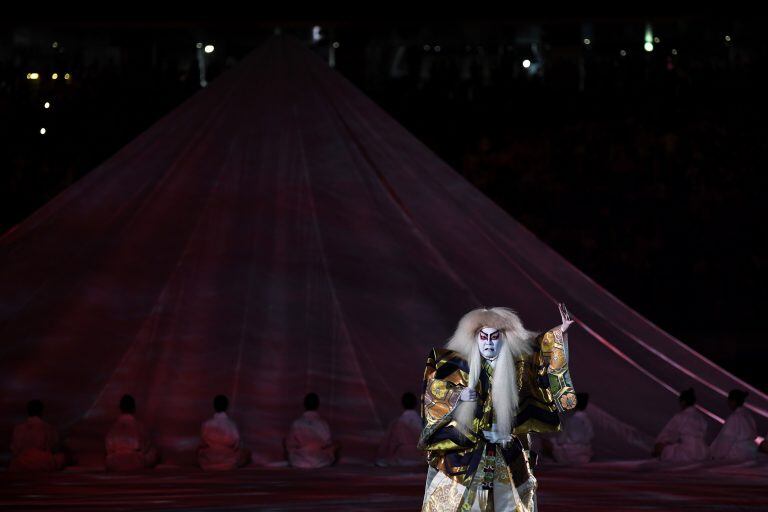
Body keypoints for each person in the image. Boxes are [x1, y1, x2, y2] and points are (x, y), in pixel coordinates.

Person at [419, 303, 577, 512]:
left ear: (504, 339)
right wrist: (457, 395)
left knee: (511, 503)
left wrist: (560, 331)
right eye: (483, 338)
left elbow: (540, 350)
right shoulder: (456, 364)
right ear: (475, 338)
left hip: (506, 448)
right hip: (467, 450)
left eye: (495, 338)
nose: (489, 344)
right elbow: (434, 390)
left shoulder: (519, 367)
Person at [285, 393, 340, 468]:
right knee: (337, 445)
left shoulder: (297, 423)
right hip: (320, 461)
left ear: (304, 404)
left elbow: (290, 443)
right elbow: (327, 443)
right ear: (318, 405)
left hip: (300, 461)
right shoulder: (323, 424)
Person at [105, 394, 159, 471]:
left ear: (120, 408)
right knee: (153, 451)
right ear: (134, 409)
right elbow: (146, 446)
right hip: (135, 462)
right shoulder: (139, 426)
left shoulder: (113, 427)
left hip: (115, 463)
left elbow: (108, 447)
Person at [652, 388, 708, 462]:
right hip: (702, 452)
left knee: (663, 448)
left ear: (683, 402)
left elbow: (669, 433)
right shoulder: (700, 417)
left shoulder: (681, 416)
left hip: (687, 452)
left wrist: (660, 445)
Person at [9, 400, 67, 471]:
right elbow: (53, 448)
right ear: (41, 412)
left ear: (28, 411)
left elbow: (15, 450)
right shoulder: (49, 428)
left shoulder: (18, 429)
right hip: (43, 462)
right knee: (61, 457)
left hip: (23, 462)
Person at [197, 394, 252, 470]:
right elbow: (236, 445)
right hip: (228, 464)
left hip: (208, 463)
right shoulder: (232, 425)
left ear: (214, 406)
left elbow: (202, 444)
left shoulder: (206, 424)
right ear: (226, 407)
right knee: (246, 453)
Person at [375, 392, 424, 467]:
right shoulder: (422, 422)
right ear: (415, 404)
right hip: (420, 457)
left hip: (403, 457)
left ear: (402, 404)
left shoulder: (397, 423)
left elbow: (391, 443)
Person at [710, 389, 758, 461]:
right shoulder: (748, 415)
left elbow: (726, 439)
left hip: (737, 455)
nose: (728, 403)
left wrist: (717, 455)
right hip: (751, 453)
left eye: (729, 401)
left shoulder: (734, 417)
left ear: (733, 402)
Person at [548, 392, 594, 464]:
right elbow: (590, 435)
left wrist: (556, 442)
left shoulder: (575, 418)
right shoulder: (585, 418)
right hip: (585, 449)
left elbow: (569, 439)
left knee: (548, 443)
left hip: (573, 451)